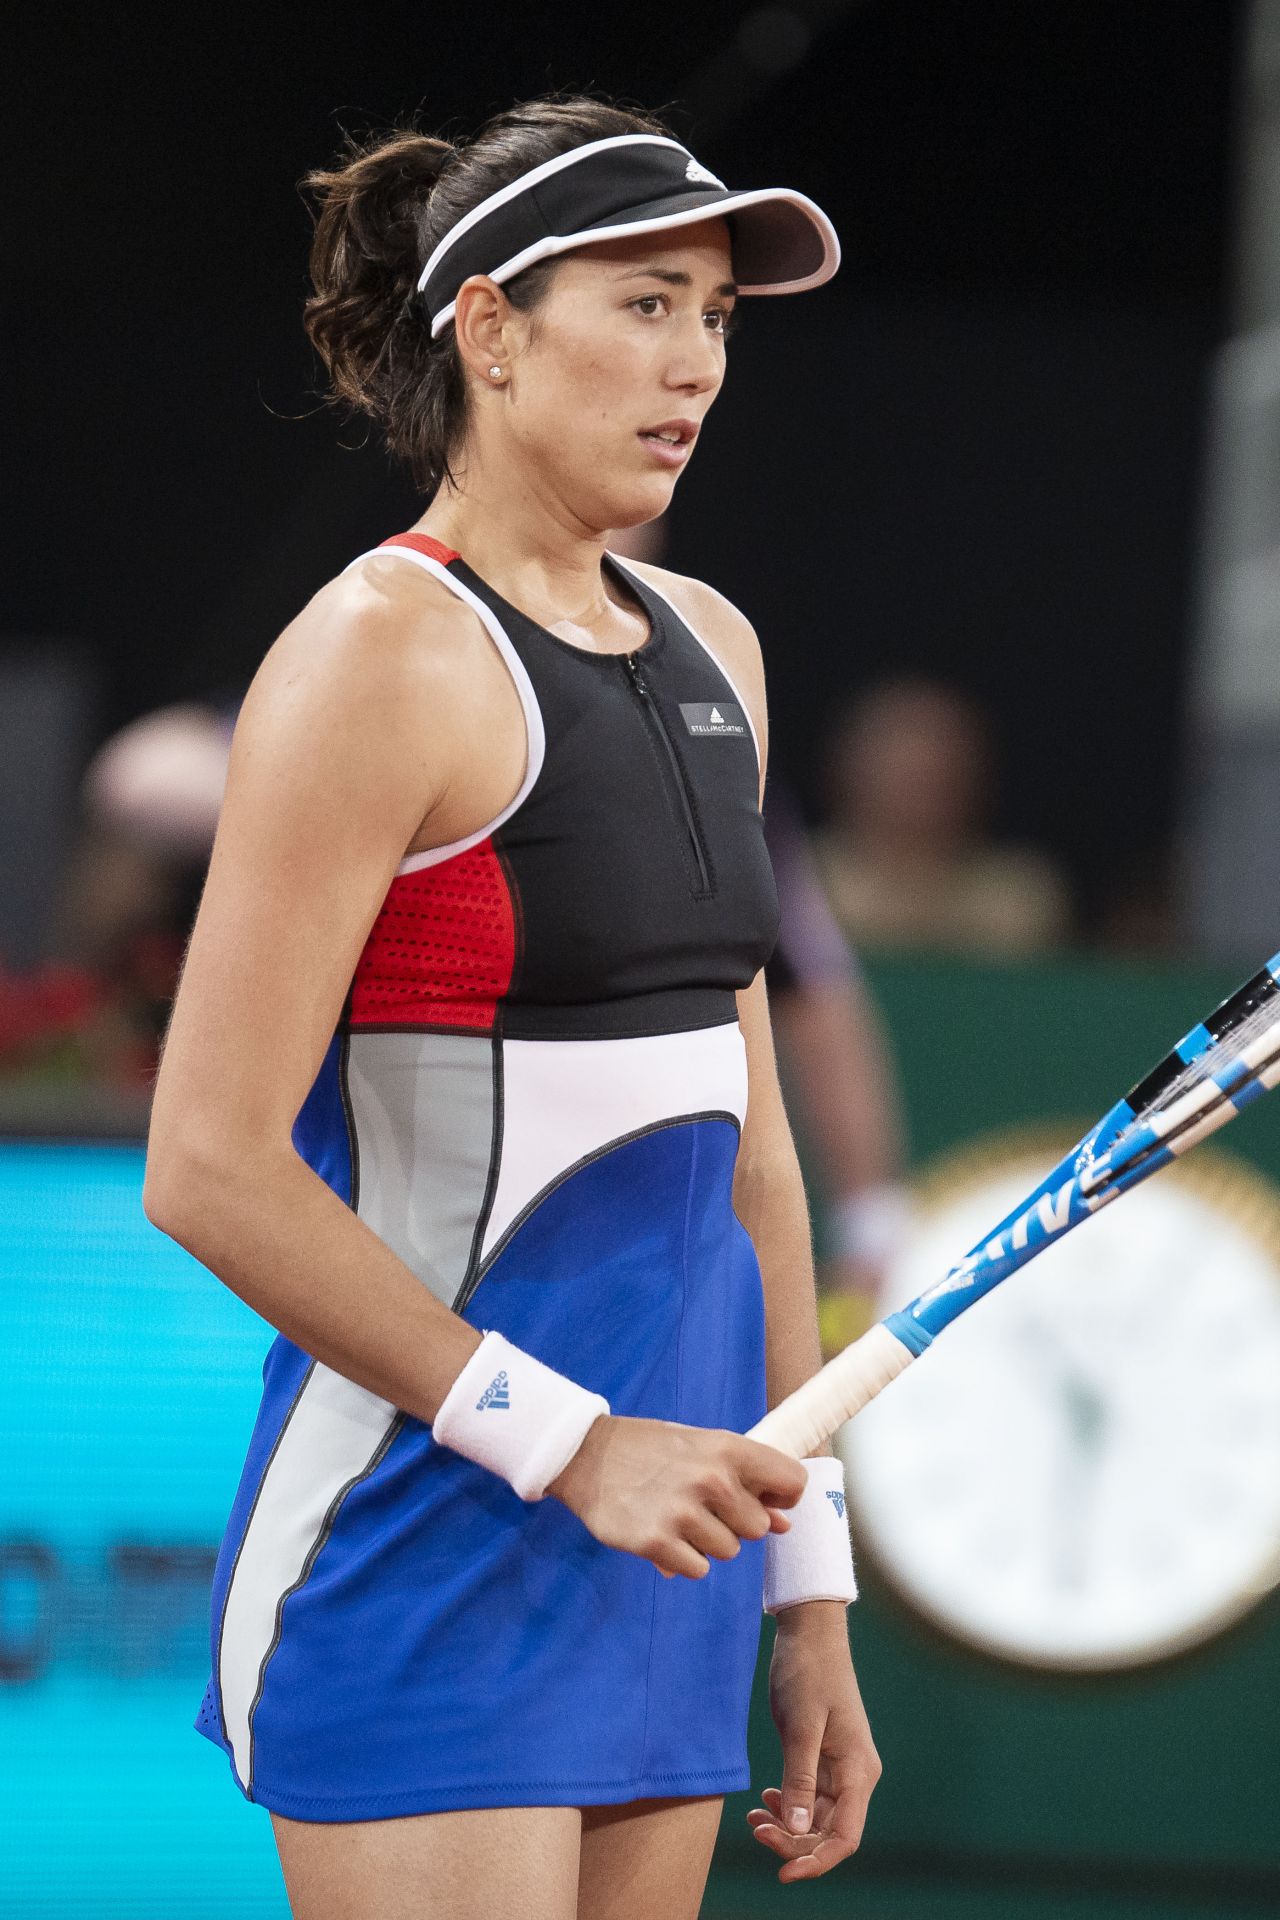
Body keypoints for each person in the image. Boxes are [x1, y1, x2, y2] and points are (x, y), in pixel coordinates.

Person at [142, 94, 880, 1918]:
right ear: (487, 329)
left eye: (714, 312)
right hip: (432, 1530)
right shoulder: (377, 657)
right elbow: (209, 1166)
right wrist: (575, 1448)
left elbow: (759, 1171)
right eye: (643, 303)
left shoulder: (722, 650)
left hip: (670, 1553)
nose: (694, 359)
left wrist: (811, 1591)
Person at [815, 676, 1071, 955]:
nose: (922, 781)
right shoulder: (796, 882)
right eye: (903, 768)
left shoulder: (1019, 895)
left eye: (938, 764)